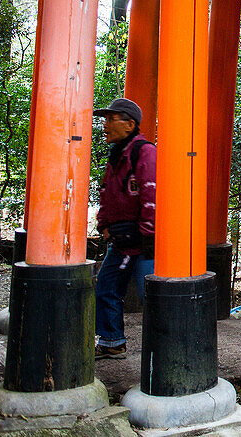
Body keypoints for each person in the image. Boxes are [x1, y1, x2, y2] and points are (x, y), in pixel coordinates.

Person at [92, 98, 156, 359]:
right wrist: (104, 225)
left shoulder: (145, 152)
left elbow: (152, 195)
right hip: (121, 240)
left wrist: (147, 234)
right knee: (106, 286)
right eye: (104, 119)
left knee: (149, 296)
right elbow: (108, 193)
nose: (104, 125)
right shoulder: (117, 154)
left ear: (129, 124)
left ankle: (162, 349)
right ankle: (111, 341)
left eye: (110, 119)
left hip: (142, 242)